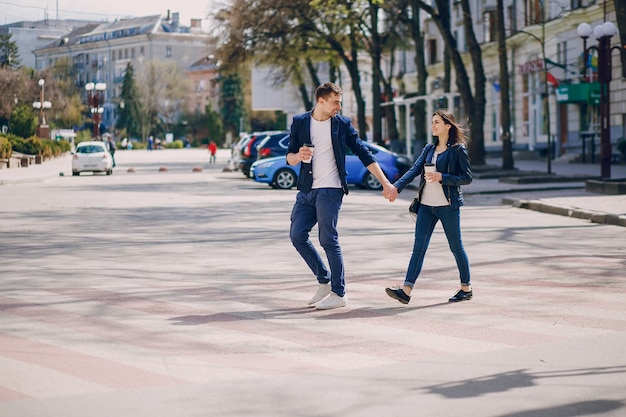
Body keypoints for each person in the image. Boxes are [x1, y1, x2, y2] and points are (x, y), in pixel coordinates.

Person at [287, 82, 395, 310]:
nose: (339, 106)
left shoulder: (342, 124)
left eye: (340, 102)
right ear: (321, 101)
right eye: (335, 102)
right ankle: (324, 280)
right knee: (297, 235)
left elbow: (364, 153)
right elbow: (289, 156)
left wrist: (385, 183)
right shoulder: (300, 122)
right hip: (307, 189)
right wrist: (298, 155)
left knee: (328, 239)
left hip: (331, 189)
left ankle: (339, 292)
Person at [382, 109, 472, 304]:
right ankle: (406, 290)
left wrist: (443, 177)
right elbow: (414, 170)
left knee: (456, 247)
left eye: (437, 122)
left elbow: (466, 178)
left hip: (447, 206)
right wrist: (395, 187)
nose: (433, 125)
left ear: (448, 125)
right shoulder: (429, 149)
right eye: (432, 122)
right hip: (426, 206)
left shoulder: (457, 149)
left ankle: (466, 288)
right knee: (418, 249)